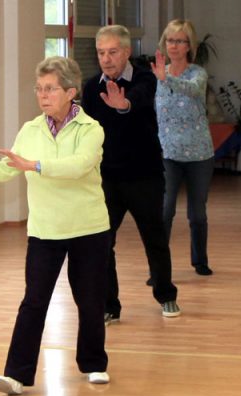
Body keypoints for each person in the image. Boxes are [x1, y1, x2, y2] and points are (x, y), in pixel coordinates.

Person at [0, 56, 111, 395]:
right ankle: (16, 374)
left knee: (90, 299)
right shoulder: (30, 130)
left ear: (70, 91)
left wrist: (35, 165)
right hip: (45, 230)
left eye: (50, 89)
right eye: (39, 89)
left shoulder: (91, 129)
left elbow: (79, 166)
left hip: (88, 227)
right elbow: (5, 169)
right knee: (34, 301)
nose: (43, 95)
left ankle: (94, 363)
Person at [82, 24, 181, 324]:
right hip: (107, 178)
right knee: (102, 242)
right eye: (101, 53)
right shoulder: (90, 87)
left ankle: (166, 295)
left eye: (113, 52)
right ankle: (109, 305)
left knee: (154, 238)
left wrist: (122, 105)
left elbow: (137, 99)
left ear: (126, 52)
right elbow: (85, 129)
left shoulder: (145, 78)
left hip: (144, 175)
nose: (107, 58)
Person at [151, 19, 215, 276]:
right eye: (170, 40)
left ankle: (200, 261)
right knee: (164, 212)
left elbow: (192, 90)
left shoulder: (197, 73)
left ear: (189, 45)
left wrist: (167, 79)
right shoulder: (157, 75)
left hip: (199, 154)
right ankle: (159, 268)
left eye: (180, 41)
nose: (174, 46)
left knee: (197, 214)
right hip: (168, 154)